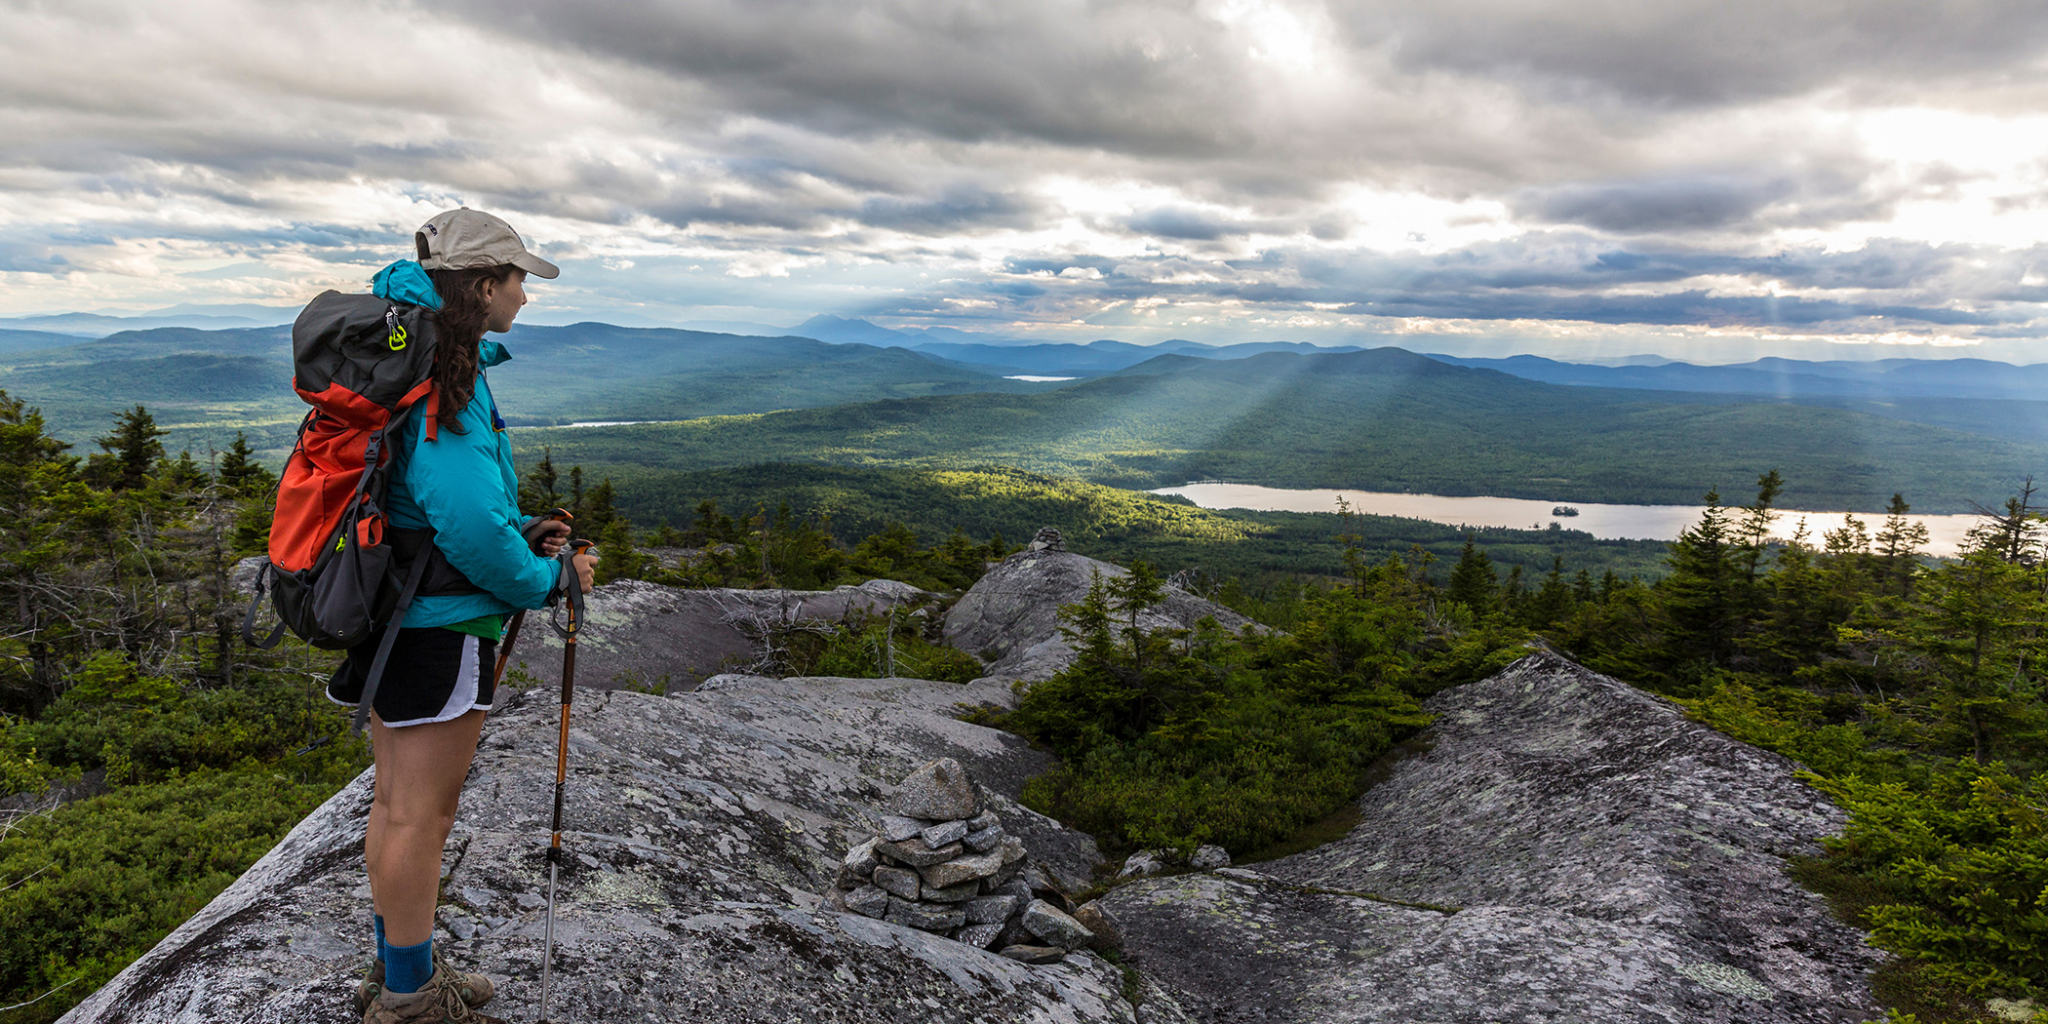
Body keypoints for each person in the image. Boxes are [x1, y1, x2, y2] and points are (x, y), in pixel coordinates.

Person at [325, 208, 597, 1024]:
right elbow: (467, 523)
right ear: (483, 284)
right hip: (439, 627)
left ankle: (399, 970)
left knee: (395, 806)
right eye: (516, 278)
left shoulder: (416, 358)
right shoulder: (446, 372)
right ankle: (412, 997)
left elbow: (433, 508)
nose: (524, 293)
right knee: (421, 813)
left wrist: (517, 533)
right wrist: (549, 579)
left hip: (401, 616)